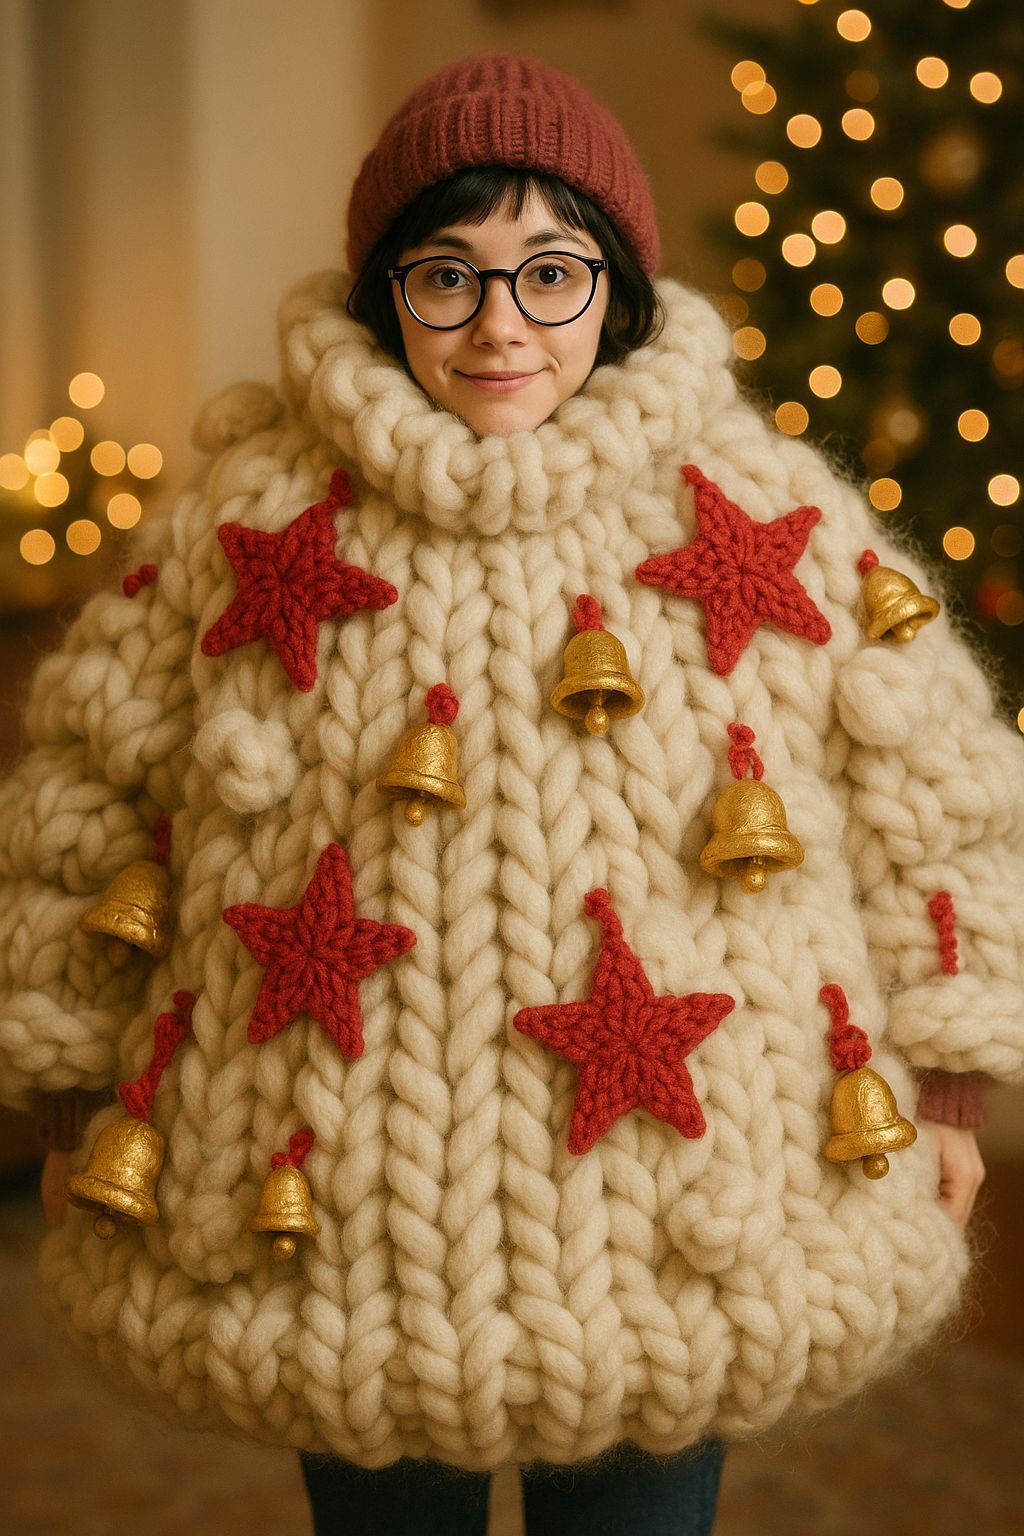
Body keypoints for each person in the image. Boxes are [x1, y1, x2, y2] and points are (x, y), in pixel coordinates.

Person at [1, 52, 1017, 1536]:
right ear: (381, 291)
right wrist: (65, 1065)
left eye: (551, 274)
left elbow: (934, 785)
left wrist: (943, 1080)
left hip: (687, 1194)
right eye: (447, 277)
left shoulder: (756, 513)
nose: (500, 327)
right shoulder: (253, 524)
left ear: (614, 284)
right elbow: (87, 794)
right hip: (346, 1205)